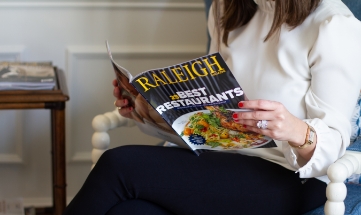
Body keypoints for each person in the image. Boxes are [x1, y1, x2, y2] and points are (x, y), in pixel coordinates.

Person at [63, 0, 361, 214]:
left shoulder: (334, 25)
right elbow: (206, 119)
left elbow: (333, 145)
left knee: (118, 165)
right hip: (220, 159)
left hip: (290, 177)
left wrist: (296, 130)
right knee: (129, 211)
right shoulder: (228, 9)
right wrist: (147, 112)